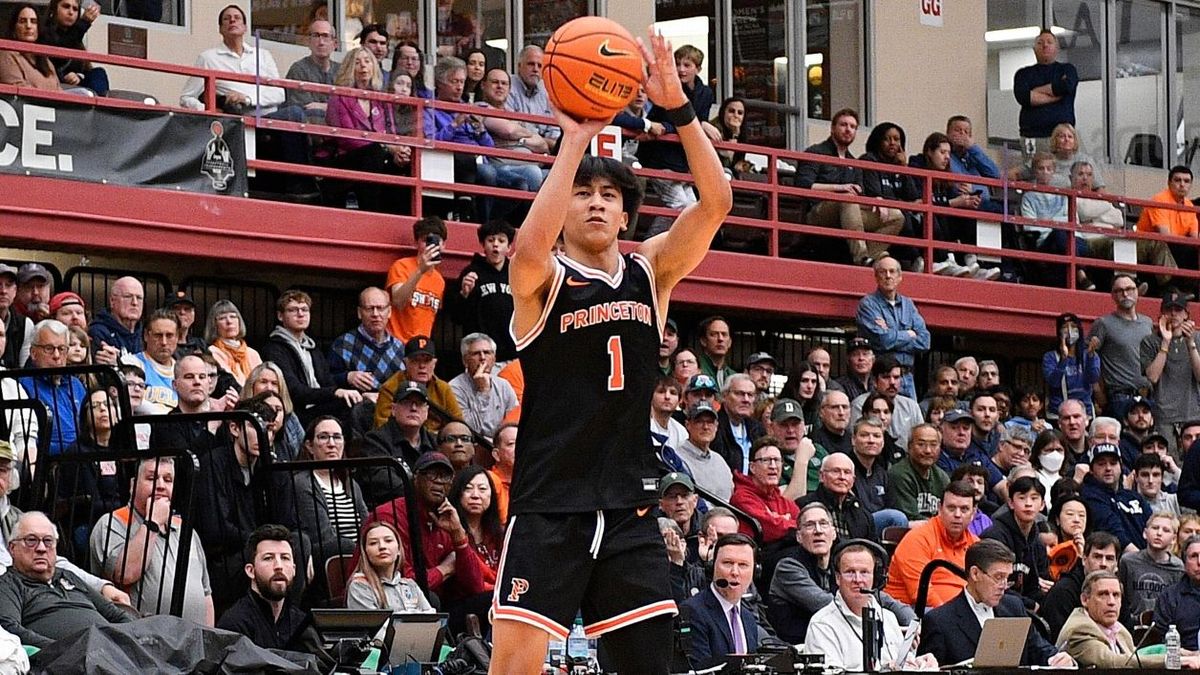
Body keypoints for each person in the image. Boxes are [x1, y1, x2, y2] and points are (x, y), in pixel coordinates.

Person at [489, 32, 732, 674]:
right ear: (562, 204)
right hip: (550, 505)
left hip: (628, 505)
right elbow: (526, 250)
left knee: (651, 665)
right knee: (514, 666)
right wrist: (573, 141)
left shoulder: (650, 272)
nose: (596, 202)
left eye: (610, 196)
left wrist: (679, 108)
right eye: (583, 193)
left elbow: (717, 202)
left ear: (625, 216)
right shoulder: (541, 280)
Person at [89, 456, 213, 625]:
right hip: (141, 642)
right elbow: (125, 573)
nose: (161, 485)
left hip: (195, 641)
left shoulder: (185, 529)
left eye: (168, 480)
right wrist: (152, 522)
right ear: (133, 485)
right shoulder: (112, 523)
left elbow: (206, 594)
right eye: (152, 478)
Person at [919, 539, 1075, 666]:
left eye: (1007, 578)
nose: (1003, 586)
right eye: (998, 577)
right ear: (975, 573)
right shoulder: (940, 621)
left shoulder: (1013, 607)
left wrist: (1057, 658)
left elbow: (1038, 648)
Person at [0, 511, 131, 648]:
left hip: (113, 652)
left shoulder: (69, 576)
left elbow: (116, 615)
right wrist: (64, 650)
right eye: (31, 540)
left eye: (48, 541)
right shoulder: (8, 584)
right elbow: (10, 628)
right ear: (12, 548)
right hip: (70, 661)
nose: (41, 548)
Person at [795, 109, 903, 265]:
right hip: (817, 212)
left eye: (853, 127)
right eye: (843, 125)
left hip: (849, 211)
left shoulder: (854, 162)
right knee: (847, 197)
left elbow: (860, 195)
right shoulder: (816, 152)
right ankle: (860, 257)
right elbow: (803, 186)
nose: (848, 130)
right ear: (832, 128)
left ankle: (871, 257)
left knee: (896, 216)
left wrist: (876, 201)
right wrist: (839, 188)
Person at [806, 543, 938, 671]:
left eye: (864, 572)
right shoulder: (822, 624)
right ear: (838, 578)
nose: (857, 579)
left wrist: (919, 664)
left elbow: (900, 664)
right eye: (850, 572)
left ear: (875, 577)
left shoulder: (888, 618)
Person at [217, 524, 332, 668]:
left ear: (294, 569)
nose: (279, 566)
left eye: (285, 558)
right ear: (250, 570)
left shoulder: (302, 623)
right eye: (268, 558)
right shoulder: (234, 624)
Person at [636, 44, 716, 238]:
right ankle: (651, 242)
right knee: (682, 206)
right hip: (659, 159)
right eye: (678, 64)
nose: (681, 69)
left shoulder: (705, 93)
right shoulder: (669, 89)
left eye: (687, 65)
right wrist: (697, 125)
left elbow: (694, 122)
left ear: (698, 68)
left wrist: (701, 124)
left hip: (683, 161)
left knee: (693, 207)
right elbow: (669, 122)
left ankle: (663, 243)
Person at [324, 47, 410, 214]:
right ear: (350, 68)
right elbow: (347, 139)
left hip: (377, 154)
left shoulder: (381, 98)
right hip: (347, 158)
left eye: (367, 61)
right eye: (357, 62)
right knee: (375, 153)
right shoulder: (339, 97)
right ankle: (372, 212)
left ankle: (402, 217)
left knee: (405, 161)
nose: (363, 66)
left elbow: (391, 131)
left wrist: (400, 150)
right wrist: (386, 147)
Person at [275, 417, 366, 570]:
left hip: (357, 554)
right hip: (326, 556)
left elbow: (366, 523)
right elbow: (322, 535)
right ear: (310, 446)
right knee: (345, 545)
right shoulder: (302, 483)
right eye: (323, 437)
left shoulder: (350, 483)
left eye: (337, 437)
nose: (331, 444)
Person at [260, 290, 362, 427]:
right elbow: (294, 391)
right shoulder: (274, 349)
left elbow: (328, 383)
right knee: (346, 406)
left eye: (304, 310)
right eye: (293, 310)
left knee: (358, 403)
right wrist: (334, 392)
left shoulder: (313, 348)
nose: (300, 314)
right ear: (280, 316)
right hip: (296, 413)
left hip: (320, 408)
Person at [1060, 570, 1195, 668]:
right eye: (1103, 594)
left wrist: (1184, 653)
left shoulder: (1117, 628)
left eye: (1116, 595)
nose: (1111, 602)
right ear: (1085, 599)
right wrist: (1174, 660)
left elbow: (1137, 654)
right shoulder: (1079, 629)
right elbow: (1114, 662)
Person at [885, 480, 979, 608]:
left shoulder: (976, 544)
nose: (957, 515)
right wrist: (952, 617)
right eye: (951, 508)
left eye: (964, 509)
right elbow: (921, 593)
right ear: (940, 509)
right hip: (915, 610)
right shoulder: (918, 539)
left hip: (962, 612)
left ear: (973, 513)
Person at [680, 534, 760, 667]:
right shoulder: (692, 611)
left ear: (754, 572)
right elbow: (701, 668)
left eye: (743, 565)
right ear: (713, 566)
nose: (735, 572)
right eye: (727, 563)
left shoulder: (748, 619)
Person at [855, 256, 930, 399]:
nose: (888, 276)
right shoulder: (868, 305)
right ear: (876, 277)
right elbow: (883, 339)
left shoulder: (909, 304)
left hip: (907, 378)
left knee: (910, 419)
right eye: (883, 272)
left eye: (892, 271)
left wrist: (891, 334)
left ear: (900, 277)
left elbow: (925, 341)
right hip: (882, 378)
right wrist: (908, 334)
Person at [358, 381, 436, 508]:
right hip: (390, 511)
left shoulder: (434, 442)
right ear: (393, 409)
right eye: (407, 402)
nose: (414, 408)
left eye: (419, 404)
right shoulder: (375, 440)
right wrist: (426, 493)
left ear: (426, 412)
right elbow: (385, 483)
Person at [980, 475, 1050, 607]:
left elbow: (1038, 583)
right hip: (995, 604)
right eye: (1022, 498)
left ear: (1042, 505)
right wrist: (1029, 604)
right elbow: (992, 584)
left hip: (1024, 604)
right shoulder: (995, 535)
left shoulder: (1037, 541)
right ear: (1011, 503)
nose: (1028, 503)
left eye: (1034, 498)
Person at [328, 287, 405, 405]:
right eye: (369, 308)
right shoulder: (343, 344)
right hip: (355, 414)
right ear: (359, 313)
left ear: (389, 312)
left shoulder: (400, 348)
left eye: (380, 308)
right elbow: (325, 381)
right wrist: (347, 377)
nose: (375, 314)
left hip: (392, 413)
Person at [453, 220, 517, 362]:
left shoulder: (517, 273)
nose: (495, 244)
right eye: (490, 240)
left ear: (509, 247)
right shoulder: (471, 273)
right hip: (481, 355)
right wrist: (464, 294)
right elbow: (456, 317)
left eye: (501, 240)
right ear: (483, 245)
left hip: (512, 354)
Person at [1140, 290, 1200, 439]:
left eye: (1178, 310)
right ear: (1162, 313)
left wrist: (1191, 344)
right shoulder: (1150, 341)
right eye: (1169, 309)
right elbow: (1153, 377)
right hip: (1163, 417)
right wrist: (1165, 342)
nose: (1173, 314)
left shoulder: (1198, 338)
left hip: (1193, 415)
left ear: (1186, 314)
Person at [372, 336, 462, 430]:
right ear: (405, 363)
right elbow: (382, 426)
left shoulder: (443, 389)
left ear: (434, 363)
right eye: (416, 360)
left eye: (427, 361)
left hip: (437, 442)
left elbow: (459, 425)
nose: (422, 366)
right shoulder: (390, 388)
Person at [1043, 531, 1120, 639]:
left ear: (1116, 564)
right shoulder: (1063, 591)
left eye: (1109, 558)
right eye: (1097, 557)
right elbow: (1062, 639)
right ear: (1084, 559)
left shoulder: (1117, 590)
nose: (1103, 564)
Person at [346, 521, 434, 611]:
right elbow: (374, 624)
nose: (382, 546)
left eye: (388, 540)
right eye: (373, 543)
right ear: (365, 552)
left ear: (399, 549)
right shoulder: (359, 586)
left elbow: (431, 619)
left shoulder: (410, 585)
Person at [1081, 443, 1152, 553]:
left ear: (1121, 466)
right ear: (1091, 469)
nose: (1108, 468)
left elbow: (1152, 523)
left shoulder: (1133, 496)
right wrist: (1142, 562)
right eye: (1101, 464)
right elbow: (1115, 532)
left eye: (1113, 463)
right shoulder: (1090, 496)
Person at [386, 217, 447, 343]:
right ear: (416, 243)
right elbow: (398, 301)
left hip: (422, 347)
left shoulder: (439, 280)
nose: (431, 245)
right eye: (426, 240)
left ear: (443, 245)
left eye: (437, 241)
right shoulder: (401, 265)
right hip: (397, 342)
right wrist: (420, 270)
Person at [1013, 29, 1078, 146]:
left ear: (1057, 48)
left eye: (1049, 42)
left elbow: (1067, 86)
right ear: (1034, 49)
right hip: (1032, 137)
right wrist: (1056, 95)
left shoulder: (1068, 69)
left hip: (1063, 138)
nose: (1045, 45)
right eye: (1040, 43)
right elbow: (1024, 97)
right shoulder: (1023, 74)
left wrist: (1036, 91)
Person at [448, 333, 518, 440]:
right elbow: (468, 430)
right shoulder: (454, 388)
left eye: (487, 353)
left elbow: (514, 421)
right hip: (472, 444)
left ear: (494, 359)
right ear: (465, 361)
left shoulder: (503, 385)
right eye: (476, 354)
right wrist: (483, 392)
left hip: (500, 445)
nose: (482, 358)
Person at [730, 437, 799, 544]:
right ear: (752, 467)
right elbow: (769, 529)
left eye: (777, 460)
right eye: (766, 460)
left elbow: (804, 526)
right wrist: (787, 521)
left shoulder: (786, 503)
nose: (773, 466)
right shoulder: (742, 498)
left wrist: (779, 520)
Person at [797, 453, 876, 542]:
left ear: (853, 480)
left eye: (847, 472)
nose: (842, 477)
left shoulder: (863, 514)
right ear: (822, 476)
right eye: (836, 471)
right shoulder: (803, 506)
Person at [1119, 511, 1183, 618]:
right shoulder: (1128, 561)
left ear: (1173, 539)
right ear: (1145, 533)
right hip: (1132, 623)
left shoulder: (1178, 568)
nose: (1159, 533)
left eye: (1166, 530)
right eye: (1155, 528)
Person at [449, 465, 504, 591]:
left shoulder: (499, 533)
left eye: (482, 489)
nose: (475, 495)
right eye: (468, 489)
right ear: (458, 493)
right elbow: (471, 584)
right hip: (464, 599)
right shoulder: (450, 531)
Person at [39, 0, 108, 94]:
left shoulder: (77, 38)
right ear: (54, 9)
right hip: (52, 84)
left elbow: (84, 68)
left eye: (75, 9)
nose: (71, 12)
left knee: (98, 73)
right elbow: (59, 54)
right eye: (66, 7)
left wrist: (78, 76)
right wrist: (84, 23)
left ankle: (99, 106)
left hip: (77, 89)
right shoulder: (43, 32)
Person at [1137, 165, 1199, 270]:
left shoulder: (1190, 206)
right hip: (1145, 245)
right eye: (1177, 180)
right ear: (1169, 183)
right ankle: (1172, 284)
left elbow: (1194, 239)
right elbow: (1165, 235)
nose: (1182, 184)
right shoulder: (1159, 200)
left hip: (1174, 247)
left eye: (1186, 181)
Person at [888, 423, 949, 521]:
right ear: (909, 447)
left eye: (933, 445)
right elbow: (910, 517)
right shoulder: (899, 475)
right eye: (921, 444)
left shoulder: (942, 477)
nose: (928, 450)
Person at [1044, 312, 1100, 416]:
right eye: (1065, 327)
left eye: (1073, 326)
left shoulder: (1088, 354)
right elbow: (1053, 382)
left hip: (1084, 412)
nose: (1069, 330)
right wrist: (1063, 359)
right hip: (1059, 413)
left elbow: (1093, 378)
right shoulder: (1051, 356)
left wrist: (1091, 356)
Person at [285, 19, 336, 123]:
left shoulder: (342, 71)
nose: (321, 42)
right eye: (316, 36)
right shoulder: (298, 69)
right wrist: (334, 107)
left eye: (325, 36)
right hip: (308, 130)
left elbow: (351, 108)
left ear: (334, 44)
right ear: (309, 42)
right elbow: (306, 109)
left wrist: (323, 106)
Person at [1154, 534, 1200, 650]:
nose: (1199, 562)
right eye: (1194, 556)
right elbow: (1161, 642)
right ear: (1184, 563)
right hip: (1184, 661)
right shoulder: (1169, 597)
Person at [0, 5, 61, 91]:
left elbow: (59, 89)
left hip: (55, 104)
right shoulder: (6, 54)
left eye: (33, 21)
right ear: (14, 28)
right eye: (22, 21)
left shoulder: (45, 60)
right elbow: (18, 89)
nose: (28, 26)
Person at [204, 299, 261, 388]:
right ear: (214, 325)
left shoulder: (253, 353)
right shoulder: (213, 352)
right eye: (222, 318)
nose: (229, 321)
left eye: (233, 316)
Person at [89, 276, 144, 365]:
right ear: (112, 301)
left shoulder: (147, 333)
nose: (135, 302)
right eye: (128, 296)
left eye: (139, 298)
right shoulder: (98, 332)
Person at [710, 97, 746, 170]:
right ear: (723, 112)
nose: (736, 115)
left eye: (740, 113)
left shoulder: (743, 131)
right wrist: (734, 134)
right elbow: (727, 155)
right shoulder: (714, 128)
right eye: (731, 111)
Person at [835, 337, 874, 402]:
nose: (861, 358)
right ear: (848, 360)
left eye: (865, 354)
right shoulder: (839, 386)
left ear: (873, 359)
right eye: (855, 355)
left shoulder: (878, 384)